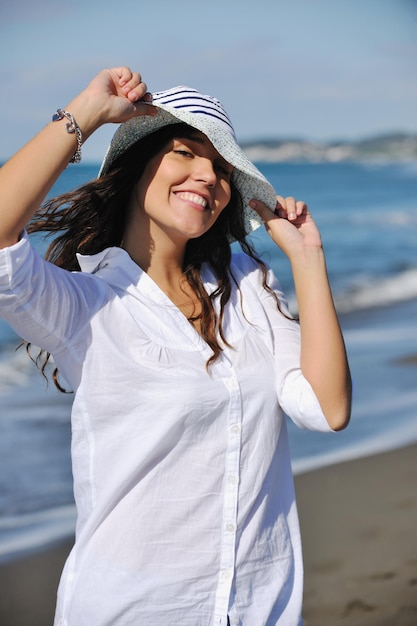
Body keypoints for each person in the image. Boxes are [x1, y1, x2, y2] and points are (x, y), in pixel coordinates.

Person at [0, 67, 351, 626]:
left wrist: (308, 259)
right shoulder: (86, 305)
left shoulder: (250, 286)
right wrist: (86, 113)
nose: (207, 176)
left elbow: (326, 407)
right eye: (186, 152)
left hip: (260, 610)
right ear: (138, 169)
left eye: (221, 167)